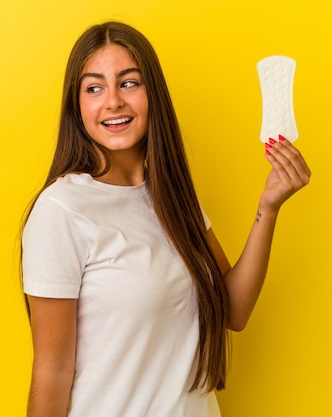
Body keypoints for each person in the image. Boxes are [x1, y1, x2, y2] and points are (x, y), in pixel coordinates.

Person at [21, 21, 311, 417]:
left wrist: (270, 207)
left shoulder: (175, 195)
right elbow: (51, 370)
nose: (113, 101)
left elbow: (233, 311)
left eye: (128, 83)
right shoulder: (62, 210)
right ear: (77, 106)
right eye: (94, 87)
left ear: (151, 94)